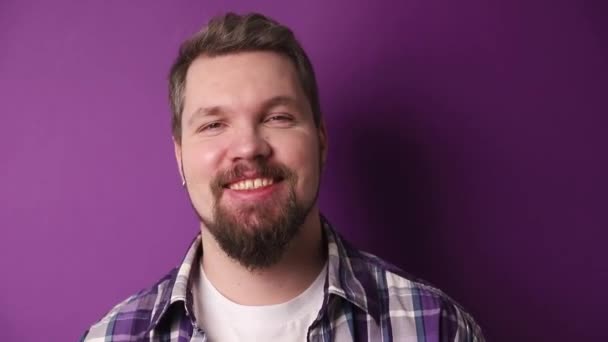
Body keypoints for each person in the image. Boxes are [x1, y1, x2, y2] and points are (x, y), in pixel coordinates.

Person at [81, 12, 484, 342]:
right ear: (180, 157)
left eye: (277, 117)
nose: (248, 147)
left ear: (321, 140)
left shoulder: (437, 329)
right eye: (214, 124)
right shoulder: (111, 339)